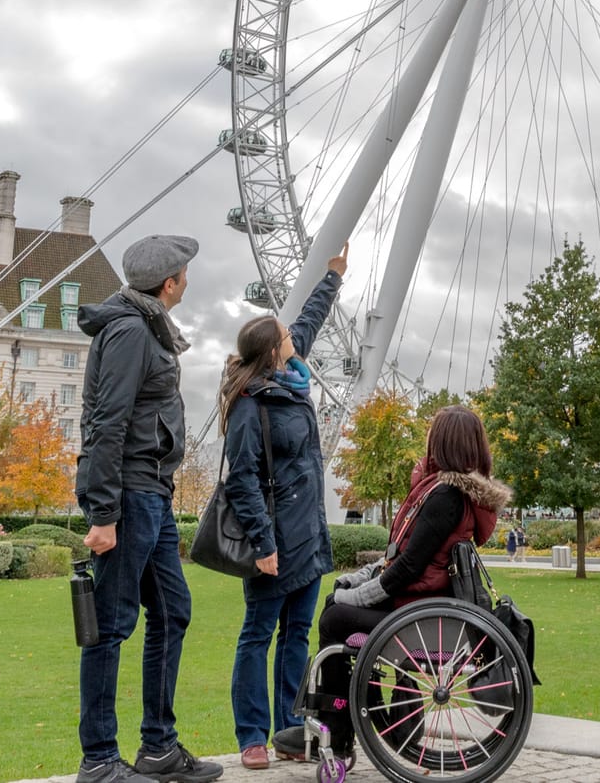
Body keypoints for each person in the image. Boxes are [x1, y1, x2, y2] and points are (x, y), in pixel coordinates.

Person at [74, 234, 221, 783]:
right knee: (110, 626)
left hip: (153, 491)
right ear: (169, 283)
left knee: (172, 610)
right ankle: (99, 760)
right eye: (185, 273)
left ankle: (159, 747)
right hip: (131, 495)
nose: (188, 280)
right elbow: (107, 423)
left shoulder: (150, 328)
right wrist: (104, 513)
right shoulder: (133, 331)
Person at [310, 406, 511, 762]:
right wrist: (357, 583)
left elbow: (406, 567)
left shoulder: (444, 497)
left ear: (440, 444)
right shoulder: (458, 496)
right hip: (427, 610)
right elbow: (407, 559)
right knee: (337, 607)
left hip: (418, 618)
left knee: (333, 617)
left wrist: (355, 594)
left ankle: (338, 732)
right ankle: (342, 724)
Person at [219, 245, 348, 771]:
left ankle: (290, 733)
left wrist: (332, 278)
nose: (295, 339)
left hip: (309, 537)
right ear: (272, 351)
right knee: (257, 635)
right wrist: (264, 545)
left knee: (297, 636)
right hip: (274, 542)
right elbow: (242, 480)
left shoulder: (292, 377)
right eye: (286, 337)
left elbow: (307, 323)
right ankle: (252, 735)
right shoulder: (251, 403)